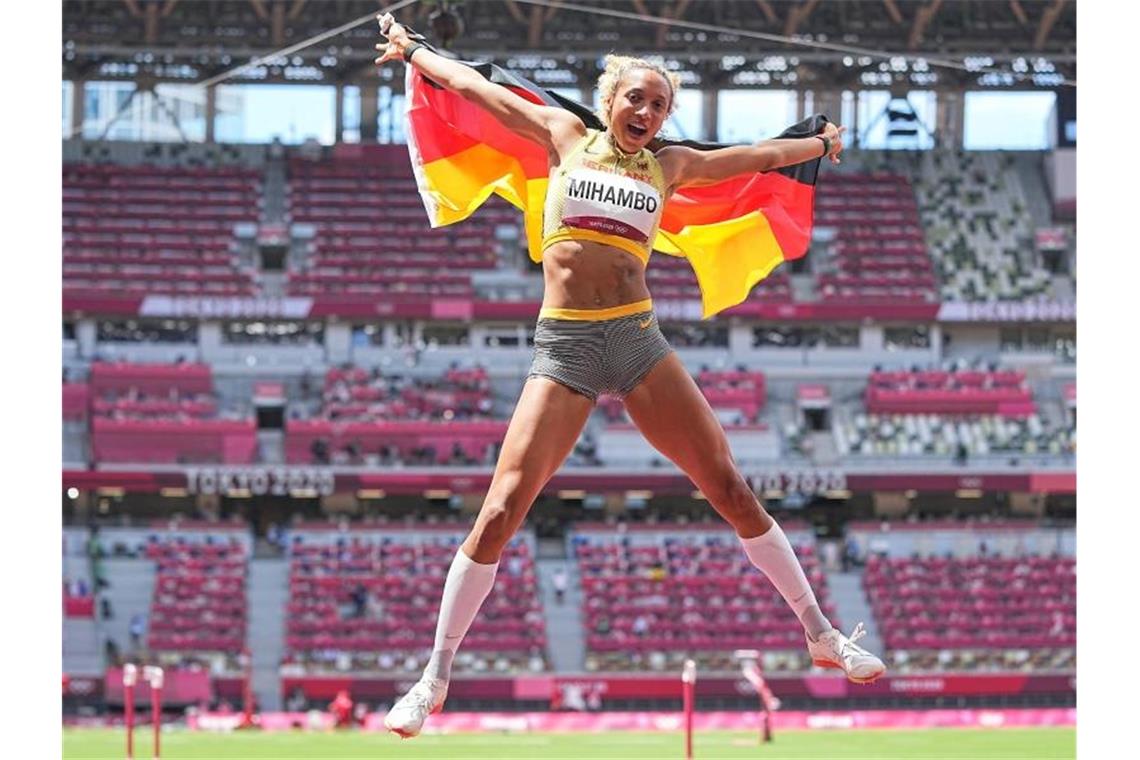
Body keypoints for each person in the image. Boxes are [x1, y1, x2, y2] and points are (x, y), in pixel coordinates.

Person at [374, 12, 884, 739]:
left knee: (731, 487)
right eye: (635, 98)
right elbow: (476, 89)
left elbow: (750, 156)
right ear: (608, 97)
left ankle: (821, 634)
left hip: (639, 341)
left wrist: (820, 142)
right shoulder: (563, 137)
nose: (647, 112)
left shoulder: (668, 165)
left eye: (660, 104)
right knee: (500, 510)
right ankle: (435, 677)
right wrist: (417, 51)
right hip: (567, 349)